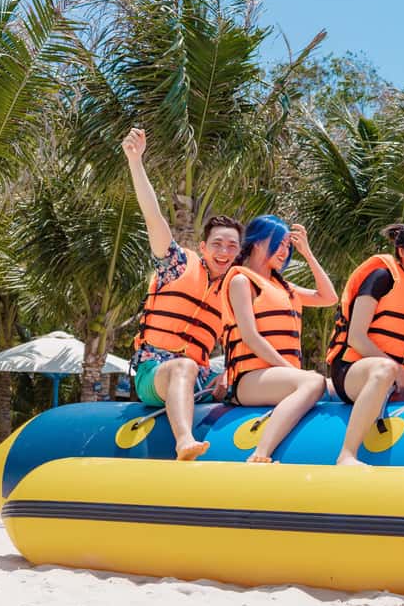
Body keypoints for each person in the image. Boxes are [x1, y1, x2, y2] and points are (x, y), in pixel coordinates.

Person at [123, 127, 243, 461]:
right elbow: (153, 217)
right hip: (155, 371)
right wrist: (135, 161)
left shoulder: (235, 292)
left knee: (243, 377)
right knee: (183, 367)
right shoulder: (176, 264)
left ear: (239, 253)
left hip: (201, 377)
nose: (224, 251)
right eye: (217, 244)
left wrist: (228, 375)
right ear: (203, 247)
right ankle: (184, 441)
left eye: (232, 246)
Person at [221, 216, 336, 463]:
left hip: (281, 378)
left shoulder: (284, 288)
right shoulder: (242, 281)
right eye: (278, 244)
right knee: (315, 382)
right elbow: (250, 337)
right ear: (258, 242)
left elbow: (329, 298)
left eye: (287, 245)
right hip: (249, 380)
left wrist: (307, 254)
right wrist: (291, 371)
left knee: (337, 388)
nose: (284, 251)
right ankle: (260, 453)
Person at [327, 221, 404, 466]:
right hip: (352, 371)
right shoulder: (381, 277)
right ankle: (346, 454)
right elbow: (356, 337)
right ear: (403, 251)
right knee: (385, 369)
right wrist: (394, 368)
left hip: (391, 376)